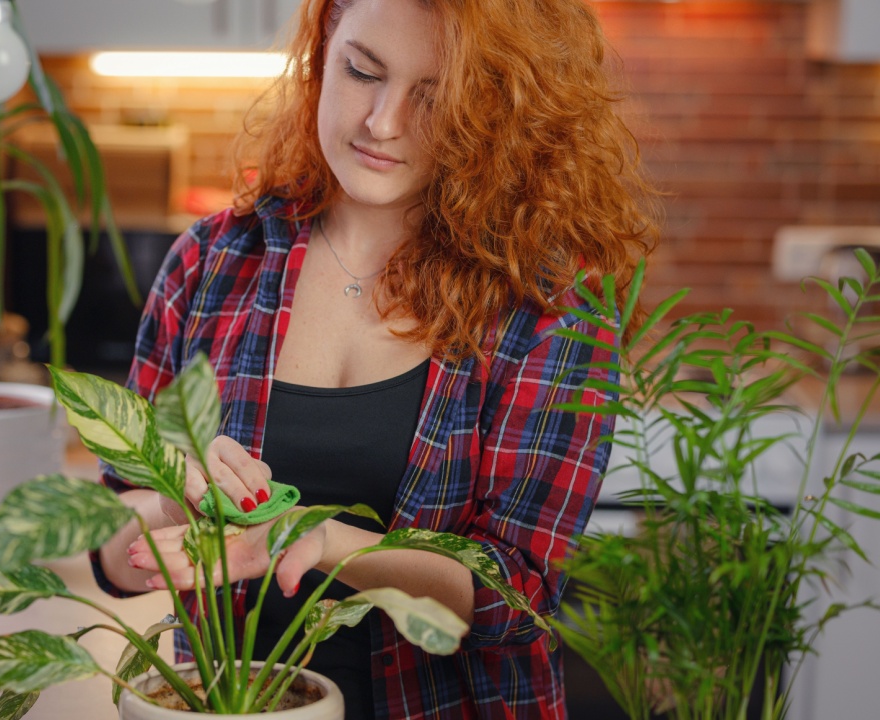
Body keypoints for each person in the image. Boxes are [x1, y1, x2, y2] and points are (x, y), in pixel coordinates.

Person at [91, 0, 658, 718]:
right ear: (325, 44)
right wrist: (176, 498)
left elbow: (516, 595)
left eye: (435, 97)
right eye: (364, 71)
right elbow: (109, 549)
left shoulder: (547, 308)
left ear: (493, 106)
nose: (383, 123)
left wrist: (315, 539)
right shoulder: (211, 264)